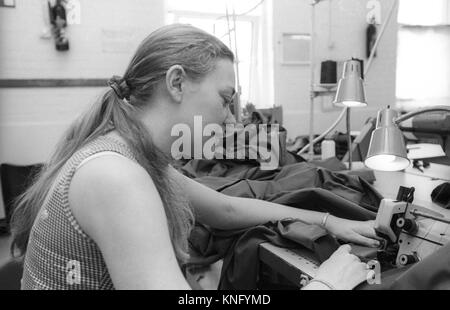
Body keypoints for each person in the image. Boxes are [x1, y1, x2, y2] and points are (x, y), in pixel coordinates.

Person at [11, 24, 381, 290]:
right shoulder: (115, 175)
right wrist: (327, 284)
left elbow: (226, 210)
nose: (232, 118)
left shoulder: (128, 153)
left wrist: (327, 219)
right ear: (176, 83)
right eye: (225, 99)